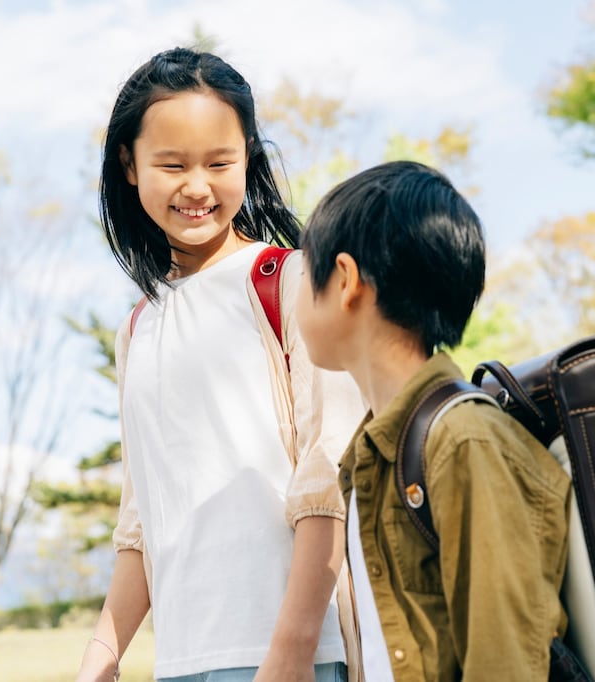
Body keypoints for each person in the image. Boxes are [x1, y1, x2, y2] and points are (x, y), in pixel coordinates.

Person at [76, 47, 363, 682]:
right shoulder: (138, 328)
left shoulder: (290, 282)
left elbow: (330, 470)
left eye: (220, 162)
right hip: (180, 661)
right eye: (171, 164)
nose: (197, 186)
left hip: (294, 655)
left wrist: (289, 653)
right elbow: (140, 519)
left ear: (250, 156)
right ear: (129, 165)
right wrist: (103, 655)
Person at [294, 161, 571, 680]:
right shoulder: (377, 456)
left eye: (307, 274)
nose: (297, 297)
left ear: (347, 281)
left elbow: (504, 663)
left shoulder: (464, 442)